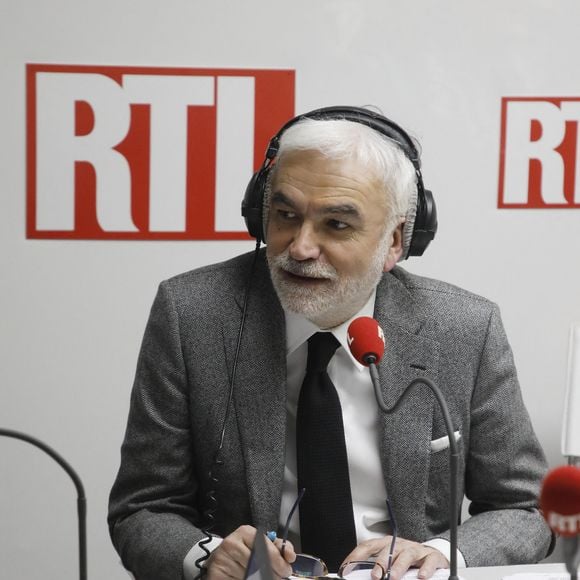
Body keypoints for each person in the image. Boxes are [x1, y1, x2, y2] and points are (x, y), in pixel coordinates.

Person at [108, 107, 553, 580]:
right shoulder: (193, 313)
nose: (299, 247)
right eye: (285, 215)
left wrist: (443, 554)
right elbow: (143, 508)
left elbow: (527, 509)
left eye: (336, 225)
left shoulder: (463, 328)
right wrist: (207, 555)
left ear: (397, 241)